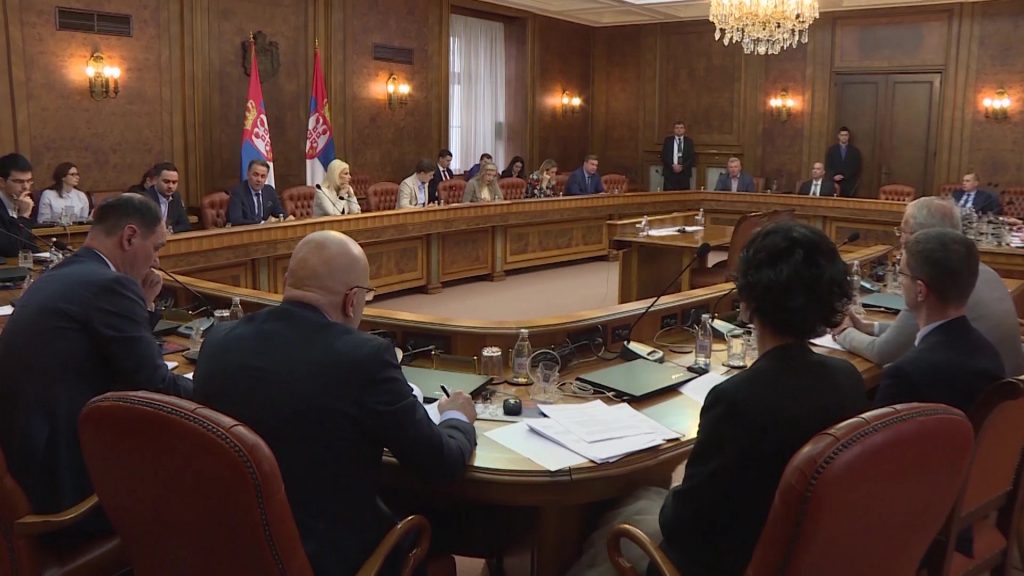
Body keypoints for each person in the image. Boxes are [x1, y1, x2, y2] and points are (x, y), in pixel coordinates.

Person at [567, 222, 867, 576]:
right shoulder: (847, 379)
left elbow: (684, 522)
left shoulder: (737, 399)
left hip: (726, 560)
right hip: (800, 550)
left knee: (623, 515)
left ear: (747, 302)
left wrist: (678, 480)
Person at [193, 230, 477, 576]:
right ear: (351, 300)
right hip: (326, 560)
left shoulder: (219, 341)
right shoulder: (365, 358)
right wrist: (456, 417)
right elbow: (440, 464)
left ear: (287, 281)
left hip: (232, 549)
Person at [0, 194, 193, 532]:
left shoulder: (63, 273)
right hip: (64, 484)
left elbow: (117, 349)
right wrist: (216, 385)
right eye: (156, 248)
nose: (157, 261)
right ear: (130, 237)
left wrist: (143, 305)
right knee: (195, 470)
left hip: (27, 458)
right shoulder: (109, 285)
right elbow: (155, 383)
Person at [835, 197, 1024, 376]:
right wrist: (869, 327)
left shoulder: (936, 281)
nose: (900, 240)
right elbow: (914, 332)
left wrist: (843, 331)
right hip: (1006, 389)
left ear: (923, 237)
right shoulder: (982, 271)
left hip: (975, 394)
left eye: (903, 231)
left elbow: (882, 352)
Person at [874, 228, 1004, 412]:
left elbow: (875, 431)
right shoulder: (990, 354)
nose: (900, 281)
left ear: (920, 290)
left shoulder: (904, 375)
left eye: (901, 273)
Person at [228, 159, 288, 225]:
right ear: (248, 174)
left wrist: (286, 218)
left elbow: (280, 214)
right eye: (255, 175)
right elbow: (236, 221)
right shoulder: (238, 192)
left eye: (263, 176)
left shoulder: (270, 191)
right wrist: (262, 223)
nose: (259, 180)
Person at [0, 152, 38, 257]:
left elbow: (29, 246)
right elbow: (10, 250)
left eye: (29, 181)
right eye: (19, 181)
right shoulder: (24, 208)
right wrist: (24, 216)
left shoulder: (24, 203)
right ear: (2, 182)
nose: (26, 187)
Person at [140, 162, 190, 233]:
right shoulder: (145, 198)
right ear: (156, 180)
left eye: (174, 182)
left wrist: (171, 230)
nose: (170, 186)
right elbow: (143, 227)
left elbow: (185, 225)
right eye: (166, 182)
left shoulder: (176, 197)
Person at [825, 126, 862, 198]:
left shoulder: (855, 151)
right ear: (838, 136)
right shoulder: (832, 150)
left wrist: (844, 176)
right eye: (842, 135)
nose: (844, 137)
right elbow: (828, 165)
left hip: (849, 183)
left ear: (848, 136)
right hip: (834, 182)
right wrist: (834, 176)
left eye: (846, 135)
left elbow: (856, 167)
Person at [660, 121, 695, 191]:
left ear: (684, 130)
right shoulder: (668, 140)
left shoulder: (689, 141)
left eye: (681, 128)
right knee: (669, 195)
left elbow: (691, 158)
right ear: (674, 130)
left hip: (684, 173)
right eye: (677, 128)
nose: (679, 130)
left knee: (683, 195)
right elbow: (664, 156)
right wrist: (672, 166)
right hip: (670, 172)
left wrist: (682, 167)